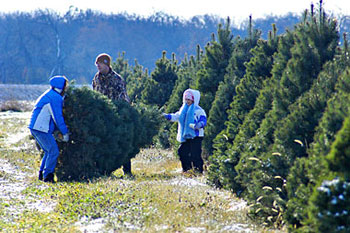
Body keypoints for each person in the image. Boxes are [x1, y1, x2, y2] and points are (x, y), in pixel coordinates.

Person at [92, 53, 132, 175]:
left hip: (115, 116)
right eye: (97, 64)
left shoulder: (117, 79)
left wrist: (120, 115)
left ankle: (127, 170)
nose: (98, 66)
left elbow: (123, 98)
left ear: (106, 64)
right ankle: (105, 170)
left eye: (100, 63)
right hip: (102, 117)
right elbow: (95, 94)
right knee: (104, 144)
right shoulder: (96, 79)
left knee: (121, 143)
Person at [28, 75, 70, 183]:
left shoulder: (50, 94)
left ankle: (42, 174)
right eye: (65, 86)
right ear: (61, 86)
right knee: (53, 151)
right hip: (41, 128)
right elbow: (57, 117)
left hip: (36, 127)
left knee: (48, 151)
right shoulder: (55, 98)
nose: (66, 88)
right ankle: (48, 176)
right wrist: (65, 132)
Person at [163, 89, 207, 173]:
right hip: (186, 136)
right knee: (182, 152)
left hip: (196, 136)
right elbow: (176, 116)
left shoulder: (199, 110)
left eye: (189, 99)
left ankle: (198, 170)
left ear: (194, 100)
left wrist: (199, 125)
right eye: (186, 99)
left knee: (195, 154)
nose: (187, 101)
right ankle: (187, 170)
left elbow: (203, 120)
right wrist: (167, 116)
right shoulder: (183, 109)